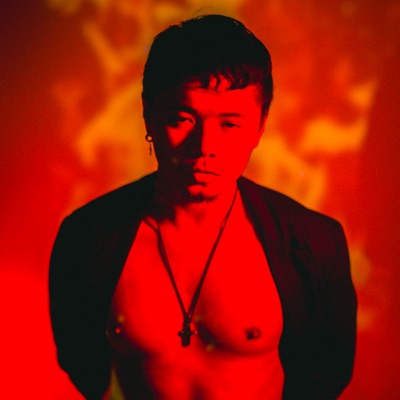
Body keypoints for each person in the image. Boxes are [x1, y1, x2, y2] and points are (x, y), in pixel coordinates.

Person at [49, 14, 357, 400]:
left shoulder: (314, 243)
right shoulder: (86, 238)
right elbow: (81, 361)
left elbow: (326, 374)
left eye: (230, 124)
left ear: (260, 126)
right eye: (183, 119)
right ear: (148, 116)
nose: (205, 147)